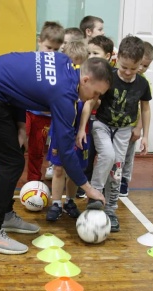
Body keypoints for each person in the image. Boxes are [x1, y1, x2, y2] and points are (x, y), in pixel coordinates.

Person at [0, 51, 112, 255]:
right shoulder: (64, 95)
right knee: (11, 163)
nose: (96, 99)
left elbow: (21, 86)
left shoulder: (64, 63)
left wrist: (21, 127)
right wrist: (88, 188)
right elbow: (66, 151)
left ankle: (4, 216)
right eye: (96, 93)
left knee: (14, 156)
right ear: (86, 80)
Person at [76, 35, 152, 232]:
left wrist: (145, 134)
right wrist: (83, 128)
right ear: (117, 59)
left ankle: (110, 209)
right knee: (107, 156)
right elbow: (90, 101)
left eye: (133, 69)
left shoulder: (142, 84)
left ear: (140, 65)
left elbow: (145, 109)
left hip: (124, 130)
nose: (127, 72)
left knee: (117, 168)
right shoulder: (108, 76)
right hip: (102, 124)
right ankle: (95, 196)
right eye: (124, 67)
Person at [45, 40, 89, 221]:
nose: (75, 69)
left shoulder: (87, 86)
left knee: (75, 169)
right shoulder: (59, 85)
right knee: (58, 168)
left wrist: (81, 129)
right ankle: (56, 203)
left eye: (79, 65)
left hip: (79, 132)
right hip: (60, 131)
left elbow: (91, 104)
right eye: (72, 64)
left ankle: (70, 201)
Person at [76, 35, 115, 199]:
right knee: (87, 153)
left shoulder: (114, 76)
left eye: (95, 53)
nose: (91, 56)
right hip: (93, 121)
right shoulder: (85, 76)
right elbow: (89, 103)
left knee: (109, 157)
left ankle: (104, 190)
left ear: (108, 56)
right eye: (89, 53)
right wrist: (81, 128)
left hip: (113, 125)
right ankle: (84, 185)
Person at [26, 21, 64, 182]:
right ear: (39, 41)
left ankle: (40, 179)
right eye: (48, 48)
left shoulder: (62, 65)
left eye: (56, 49)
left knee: (45, 149)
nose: (52, 53)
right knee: (25, 146)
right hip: (30, 113)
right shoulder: (30, 62)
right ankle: (25, 179)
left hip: (49, 115)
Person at [45, 27, 84, 180]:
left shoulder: (83, 74)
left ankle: (70, 197)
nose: (62, 47)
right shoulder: (57, 68)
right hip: (60, 120)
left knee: (75, 162)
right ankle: (52, 165)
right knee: (58, 163)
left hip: (77, 124)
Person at [119, 41, 153, 197]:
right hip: (118, 124)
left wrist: (139, 128)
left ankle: (124, 181)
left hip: (132, 125)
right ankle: (112, 179)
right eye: (141, 64)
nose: (141, 69)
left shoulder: (144, 83)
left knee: (128, 155)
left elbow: (144, 107)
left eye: (145, 66)